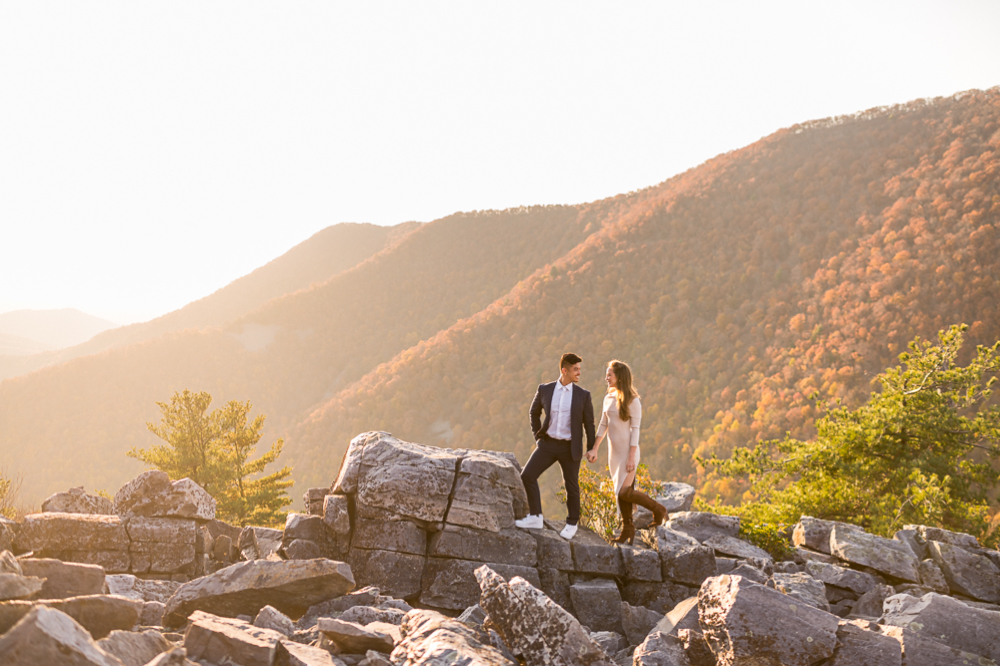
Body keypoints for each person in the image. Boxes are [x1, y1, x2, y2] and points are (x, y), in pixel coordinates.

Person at [516, 352, 596, 540]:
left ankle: (572, 523)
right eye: (575, 369)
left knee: (572, 486)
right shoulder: (545, 389)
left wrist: (591, 448)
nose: (579, 373)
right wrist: (538, 437)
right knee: (527, 475)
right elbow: (533, 413)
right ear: (564, 370)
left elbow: (589, 424)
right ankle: (535, 516)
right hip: (548, 444)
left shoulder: (583, 395)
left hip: (570, 448)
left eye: (579, 369)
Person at [586, 359, 667, 544]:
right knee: (620, 491)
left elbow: (635, 429)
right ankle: (627, 530)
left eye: (609, 375)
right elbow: (603, 424)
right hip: (614, 453)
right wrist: (595, 449)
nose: (606, 377)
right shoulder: (608, 398)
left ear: (619, 377)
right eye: (607, 374)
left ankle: (658, 509)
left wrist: (631, 457)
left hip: (628, 452)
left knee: (624, 491)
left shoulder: (633, 400)